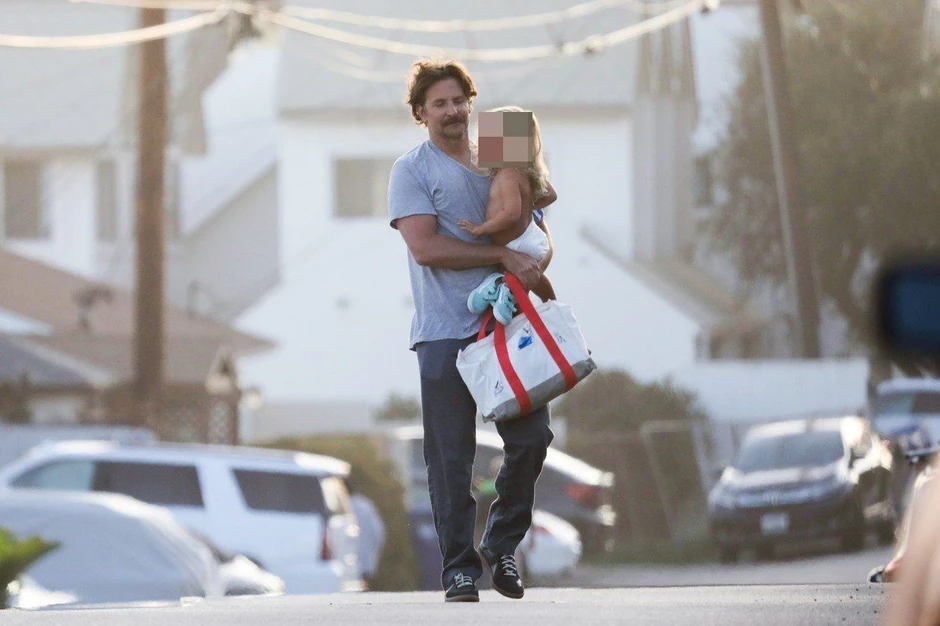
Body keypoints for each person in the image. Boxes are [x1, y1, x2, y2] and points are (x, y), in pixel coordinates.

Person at [387, 58, 556, 603]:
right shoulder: (411, 170)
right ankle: (459, 569)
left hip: (507, 327)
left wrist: (533, 260)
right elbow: (425, 247)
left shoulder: (501, 154)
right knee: (450, 459)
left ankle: (500, 544)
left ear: (471, 103)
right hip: (443, 333)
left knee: (532, 439)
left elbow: (536, 226)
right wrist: (499, 254)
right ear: (421, 113)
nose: (453, 111)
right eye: (439, 103)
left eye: (459, 100)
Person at [458, 106, 558, 323]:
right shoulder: (520, 172)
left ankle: (506, 291)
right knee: (522, 272)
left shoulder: (509, 175)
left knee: (519, 271)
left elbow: (511, 214)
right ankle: (505, 289)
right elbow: (551, 195)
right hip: (523, 241)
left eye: (487, 141)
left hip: (520, 243)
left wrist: (482, 228)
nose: (481, 148)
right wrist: (528, 205)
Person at [347, 476, 386, 590]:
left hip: (345, 563)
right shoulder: (365, 506)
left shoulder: (337, 505)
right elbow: (378, 533)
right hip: (364, 562)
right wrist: (372, 559)